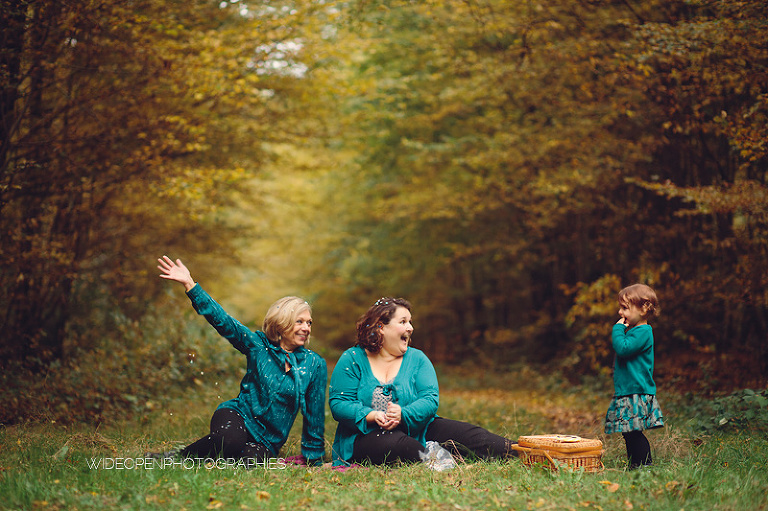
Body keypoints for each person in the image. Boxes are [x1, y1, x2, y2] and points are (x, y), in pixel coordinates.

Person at [149, 255, 327, 466]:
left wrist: (315, 460)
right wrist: (190, 285)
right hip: (237, 416)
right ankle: (177, 457)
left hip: (267, 440)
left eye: (309, 323)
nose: (306, 328)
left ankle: (217, 454)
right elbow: (224, 322)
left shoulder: (314, 364)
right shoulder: (259, 346)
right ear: (282, 323)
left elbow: (314, 415)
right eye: (299, 321)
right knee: (230, 441)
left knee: (248, 463)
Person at [328, 297, 517, 466]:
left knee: (473, 436)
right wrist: (371, 415)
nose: (410, 328)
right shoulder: (352, 359)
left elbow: (430, 399)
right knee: (402, 445)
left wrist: (403, 413)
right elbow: (339, 403)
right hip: (367, 435)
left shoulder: (417, 359)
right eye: (403, 322)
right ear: (381, 327)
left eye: (410, 322)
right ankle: (434, 459)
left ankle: (522, 451)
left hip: (418, 428)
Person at [604, 283, 664, 470]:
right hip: (629, 390)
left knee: (633, 431)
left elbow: (623, 348)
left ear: (644, 309)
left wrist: (617, 329)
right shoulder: (634, 331)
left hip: (637, 390)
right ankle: (634, 464)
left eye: (625, 308)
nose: (620, 312)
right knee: (628, 431)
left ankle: (644, 464)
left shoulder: (643, 332)